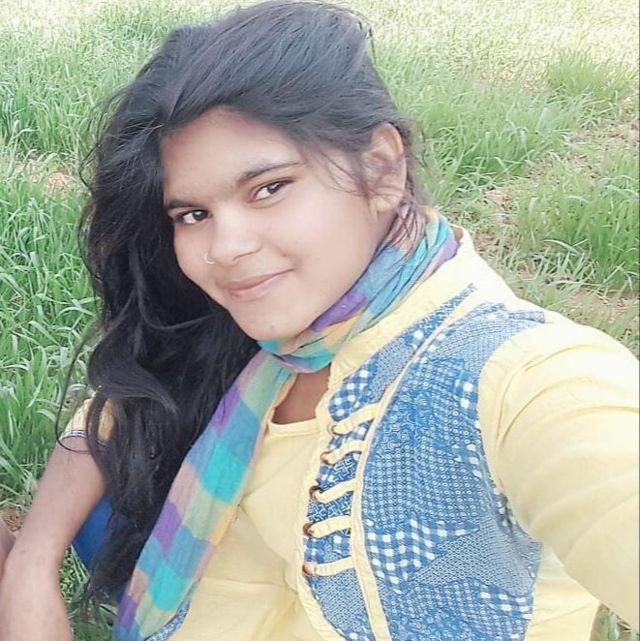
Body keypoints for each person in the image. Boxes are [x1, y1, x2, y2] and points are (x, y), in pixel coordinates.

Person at [0, 1, 638, 640]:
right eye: (193, 214)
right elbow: (124, 401)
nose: (226, 248)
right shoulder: (285, 328)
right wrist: (32, 560)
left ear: (381, 167)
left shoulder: (528, 381)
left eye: (269, 188)